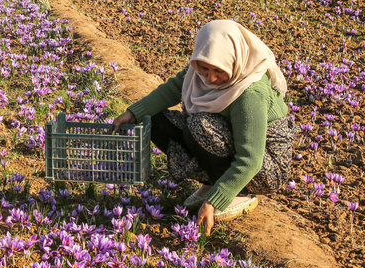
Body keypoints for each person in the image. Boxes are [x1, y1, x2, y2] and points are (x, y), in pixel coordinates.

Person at [112, 20, 296, 235]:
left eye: (219, 71)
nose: (210, 78)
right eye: (204, 68)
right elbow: (172, 89)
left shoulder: (250, 93)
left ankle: (240, 192)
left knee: (201, 127)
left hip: (265, 167)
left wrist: (214, 202)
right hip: (230, 141)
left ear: (234, 61)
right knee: (156, 120)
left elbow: (251, 159)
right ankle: (211, 180)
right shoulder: (197, 71)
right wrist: (133, 112)